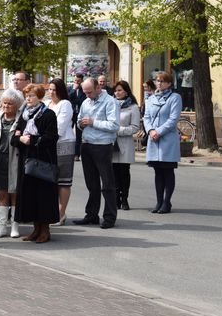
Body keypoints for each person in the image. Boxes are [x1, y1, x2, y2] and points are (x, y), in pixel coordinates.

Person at [12, 83, 59, 243]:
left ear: (39, 97)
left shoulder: (48, 115)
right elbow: (14, 137)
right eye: (26, 96)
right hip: (26, 161)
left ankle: (45, 229)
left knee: (43, 195)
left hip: (42, 161)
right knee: (30, 196)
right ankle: (35, 228)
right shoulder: (24, 115)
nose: (28, 99)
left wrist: (30, 140)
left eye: (31, 95)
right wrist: (20, 139)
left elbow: (51, 137)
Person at [73, 78, 120, 229]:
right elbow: (80, 120)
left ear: (98, 88)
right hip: (86, 144)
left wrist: (93, 122)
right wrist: (81, 124)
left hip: (102, 145)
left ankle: (109, 217)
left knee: (107, 184)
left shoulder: (110, 102)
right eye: (85, 92)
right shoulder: (86, 102)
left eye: (89, 92)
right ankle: (91, 214)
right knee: (91, 183)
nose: (87, 95)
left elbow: (114, 125)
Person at [0, 88, 24, 238]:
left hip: (15, 160)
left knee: (14, 194)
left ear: (17, 105)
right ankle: (1, 227)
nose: (6, 106)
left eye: (10, 104)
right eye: (4, 103)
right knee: (2, 195)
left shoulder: (22, 120)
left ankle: (15, 226)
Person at [144, 71, 183, 214]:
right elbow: (146, 117)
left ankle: (167, 202)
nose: (158, 83)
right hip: (153, 139)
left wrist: (158, 132)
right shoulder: (151, 98)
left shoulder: (175, 98)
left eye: (162, 81)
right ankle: (159, 201)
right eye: (157, 80)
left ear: (169, 83)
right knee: (157, 172)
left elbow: (173, 119)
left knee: (168, 171)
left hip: (167, 140)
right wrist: (150, 131)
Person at [47, 78, 76, 225]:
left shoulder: (65, 104)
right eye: (50, 89)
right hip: (49, 145)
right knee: (50, 180)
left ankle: (61, 213)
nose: (51, 92)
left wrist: (46, 138)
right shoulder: (47, 104)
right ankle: (51, 211)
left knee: (63, 181)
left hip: (63, 145)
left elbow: (60, 126)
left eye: (54, 89)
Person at [112, 80, 141, 211]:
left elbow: (135, 127)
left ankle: (125, 199)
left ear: (126, 91)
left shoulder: (133, 107)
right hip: (111, 143)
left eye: (120, 90)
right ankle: (115, 198)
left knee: (124, 172)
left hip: (124, 144)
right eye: (115, 90)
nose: (117, 93)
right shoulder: (110, 104)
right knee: (113, 173)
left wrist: (119, 130)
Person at [68, 73, 87, 160]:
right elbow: (67, 99)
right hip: (71, 114)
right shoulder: (70, 89)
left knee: (79, 135)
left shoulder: (84, 90)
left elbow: (82, 101)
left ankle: (76, 154)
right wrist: (73, 90)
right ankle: (69, 153)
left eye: (78, 81)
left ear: (82, 81)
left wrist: (74, 100)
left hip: (80, 114)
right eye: (75, 80)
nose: (76, 82)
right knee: (68, 132)